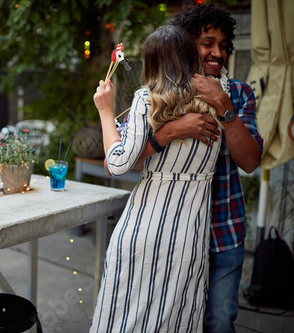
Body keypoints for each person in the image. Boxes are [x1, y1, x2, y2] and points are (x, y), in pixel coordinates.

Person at [137, 4, 263, 332]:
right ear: (185, 44)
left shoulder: (239, 92)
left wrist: (223, 105)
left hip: (223, 229)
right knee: (170, 320)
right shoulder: (158, 93)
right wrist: (171, 131)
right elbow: (124, 160)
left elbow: (249, 162)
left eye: (223, 45)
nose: (217, 52)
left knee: (220, 322)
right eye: (208, 43)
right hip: (171, 231)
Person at [90, 25, 223, 332]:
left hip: (143, 226)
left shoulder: (147, 100)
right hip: (189, 233)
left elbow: (119, 164)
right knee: (177, 318)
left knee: (124, 318)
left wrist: (105, 111)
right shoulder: (218, 100)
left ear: (151, 63)